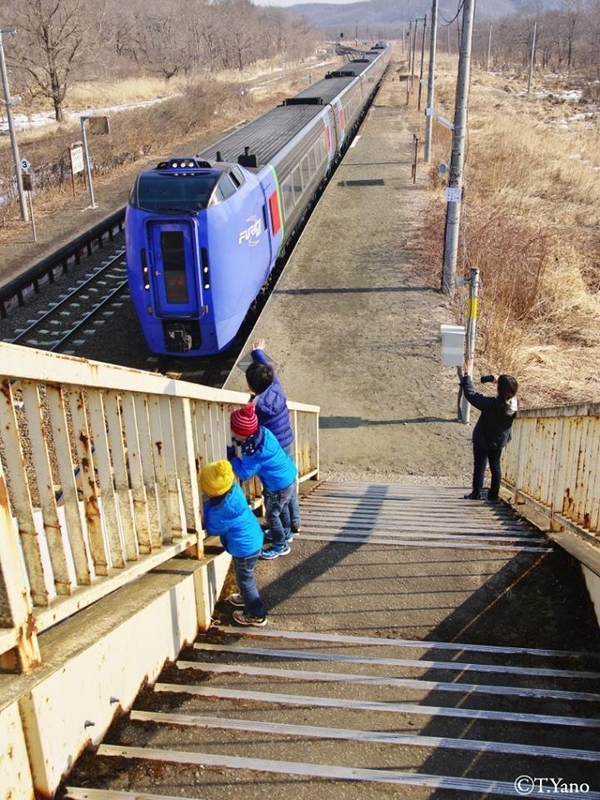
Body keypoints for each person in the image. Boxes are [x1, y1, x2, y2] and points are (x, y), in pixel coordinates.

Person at [200, 459, 267, 627]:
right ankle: (245, 597)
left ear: (212, 492)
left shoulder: (219, 512)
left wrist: (207, 509)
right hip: (253, 540)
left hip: (244, 550)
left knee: (245, 581)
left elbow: (214, 529)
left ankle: (256, 614)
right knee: (244, 576)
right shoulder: (234, 490)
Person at [228, 402, 298, 560]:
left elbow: (244, 473)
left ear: (241, 433)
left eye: (233, 431)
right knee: (283, 509)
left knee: (272, 515)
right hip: (288, 476)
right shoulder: (264, 433)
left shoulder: (253, 452)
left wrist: (233, 457)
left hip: (278, 486)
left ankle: (281, 545)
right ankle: (285, 534)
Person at [245, 339, 301, 535]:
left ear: (252, 387)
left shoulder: (258, 407)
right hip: (287, 441)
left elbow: (250, 425)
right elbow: (268, 370)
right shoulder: (277, 387)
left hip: (273, 449)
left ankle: (284, 531)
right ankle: (295, 522)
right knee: (288, 482)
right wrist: (258, 353)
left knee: (276, 489)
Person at [460, 358, 519, 502]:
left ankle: (476, 494)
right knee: (495, 466)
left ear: (500, 389)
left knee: (479, 467)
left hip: (483, 439)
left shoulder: (490, 404)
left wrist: (467, 375)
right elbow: (507, 394)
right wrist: (500, 382)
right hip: (499, 441)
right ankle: (493, 496)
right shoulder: (514, 405)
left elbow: (471, 394)